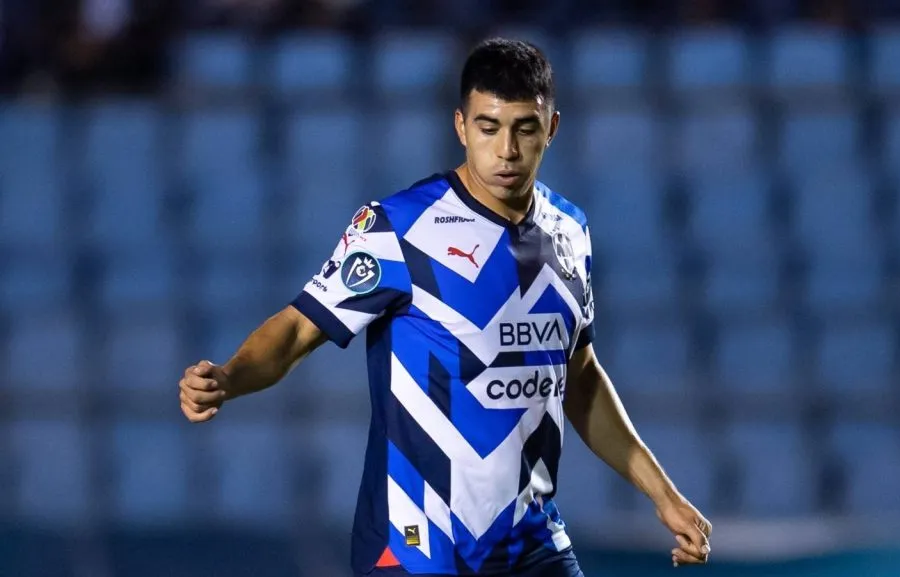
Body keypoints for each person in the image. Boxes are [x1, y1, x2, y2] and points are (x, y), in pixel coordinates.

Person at [178, 37, 711, 577]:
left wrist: (664, 496)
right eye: (488, 127)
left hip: (530, 541)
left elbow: (581, 378)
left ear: (551, 129)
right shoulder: (397, 228)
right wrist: (230, 376)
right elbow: (297, 329)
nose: (505, 150)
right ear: (461, 127)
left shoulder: (570, 232)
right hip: (416, 547)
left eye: (524, 128)